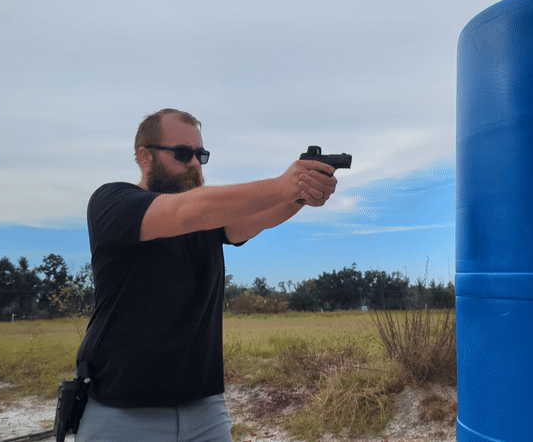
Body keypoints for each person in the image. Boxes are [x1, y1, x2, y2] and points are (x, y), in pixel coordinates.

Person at [74, 108, 338, 441]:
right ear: (145, 157)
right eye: (183, 154)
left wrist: (302, 192)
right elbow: (185, 212)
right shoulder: (113, 202)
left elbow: (257, 216)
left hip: (205, 409)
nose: (195, 164)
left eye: (202, 155)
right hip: (121, 412)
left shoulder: (209, 221)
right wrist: (281, 185)